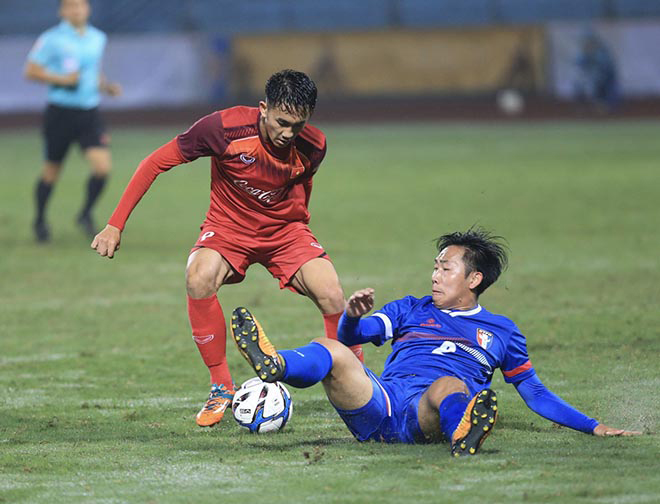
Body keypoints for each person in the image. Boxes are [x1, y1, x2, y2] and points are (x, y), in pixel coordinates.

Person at [91, 69, 364, 428]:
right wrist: (115, 224)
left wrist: (296, 231)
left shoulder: (314, 146)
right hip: (228, 227)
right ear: (263, 108)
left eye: (297, 126)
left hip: (285, 231)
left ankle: (355, 383)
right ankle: (221, 386)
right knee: (198, 277)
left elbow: (298, 190)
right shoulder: (222, 129)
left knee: (331, 293)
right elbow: (155, 163)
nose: (287, 134)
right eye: (281, 122)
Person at [230, 228, 641, 456]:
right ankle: (277, 366)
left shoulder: (503, 332)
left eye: (446, 268)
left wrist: (593, 426)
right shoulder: (411, 308)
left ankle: (461, 433)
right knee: (333, 347)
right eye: (435, 267)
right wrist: (352, 318)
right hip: (380, 403)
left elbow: (533, 392)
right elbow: (354, 338)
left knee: (450, 387)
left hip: (421, 417)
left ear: (473, 279)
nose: (435, 276)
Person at [25, 0, 122, 243]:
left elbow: (93, 70)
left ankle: (86, 213)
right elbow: (31, 70)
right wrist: (61, 79)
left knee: (102, 168)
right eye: (71, 6)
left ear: (87, 9)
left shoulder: (98, 37)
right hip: (60, 113)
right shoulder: (51, 39)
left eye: (80, 6)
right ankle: (40, 220)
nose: (76, 10)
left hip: (89, 112)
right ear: (62, 11)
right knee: (51, 171)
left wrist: (106, 86)